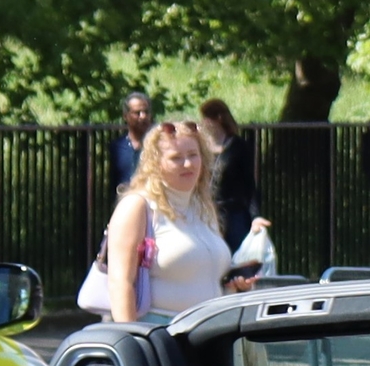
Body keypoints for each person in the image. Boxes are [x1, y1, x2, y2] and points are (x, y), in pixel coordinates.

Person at [105, 120, 255, 324]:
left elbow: (202, 275)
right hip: (160, 334)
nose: (188, 164)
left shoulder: (203, 206)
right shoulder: (137, 206)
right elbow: (120, 283)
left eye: (193, 155)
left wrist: (233, 285)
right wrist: (132, 341)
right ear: (155, 163)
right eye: (176, 158)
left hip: (209, 331)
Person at [196, 97, 270, 256]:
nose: (202, 123)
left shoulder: (238, 147)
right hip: (208, 211)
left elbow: (249, 185)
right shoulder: (202, 148)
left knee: (238, 255)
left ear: (218, 119)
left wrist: (255, 216)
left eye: (205, 118)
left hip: (233, 213)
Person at [108, 89, 154, 194]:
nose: (143, 116)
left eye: (146, 112)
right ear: (126, 116)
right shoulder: (117, 147)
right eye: (137, 113)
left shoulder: (159, 145)